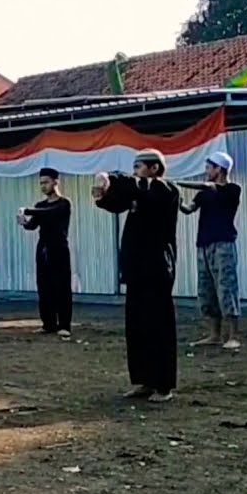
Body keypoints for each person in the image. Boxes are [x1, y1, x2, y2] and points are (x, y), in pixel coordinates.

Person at [93, 149, 181, 402]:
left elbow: (135, 189)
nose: (135, 171)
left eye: (139, 166)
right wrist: (103, 194)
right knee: (137, 326)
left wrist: (111, 177)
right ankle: (143, 380)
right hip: (136, 267)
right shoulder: (138, 192)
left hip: (157, 267)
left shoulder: (165, 190)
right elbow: (116, 203)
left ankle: (163, 385)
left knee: (159, 326)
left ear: (154, 168)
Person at [178, 151, 242, 350]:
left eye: (209, 167)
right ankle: (214, 335)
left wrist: (179, 182)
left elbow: (210, 187)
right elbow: (189, 209)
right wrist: (177, 201)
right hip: (203, 245)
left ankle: (233, 336)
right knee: (207, 291)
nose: (206, 172)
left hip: (223, 244)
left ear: (219, 169)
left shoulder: (232, 189)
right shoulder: (204, 193)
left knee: (226, 289)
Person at [18, 168, 73, 338]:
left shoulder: (64, 203)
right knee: (44, 287)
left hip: (59, 249)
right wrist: (24, 222)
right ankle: (48, 323)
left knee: (62, 287)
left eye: (46, 182)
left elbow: (51, 213)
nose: (43, 186)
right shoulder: (40, 205)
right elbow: (33, 225)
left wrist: (28, 211)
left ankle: (64, 325)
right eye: (41, 183)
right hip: (43, 249)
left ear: (56, 182)